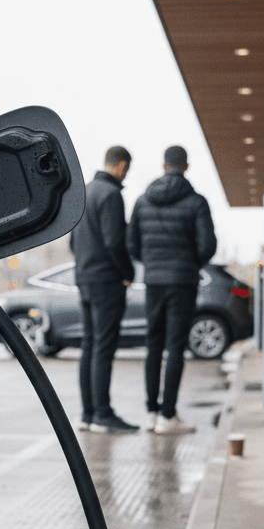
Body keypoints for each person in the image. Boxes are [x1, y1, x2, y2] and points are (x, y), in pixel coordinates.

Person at [127, 145, 217, 434]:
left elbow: (132, 244)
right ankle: (168, 416)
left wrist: (152, 263)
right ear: (185, 166)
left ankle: (151, 413)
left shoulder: (143, 200)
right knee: (175, 346)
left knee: (153, 344)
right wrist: (189, 264)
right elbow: (208, 246)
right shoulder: (196, 202)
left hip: (153, 281)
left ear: (163, 165)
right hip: (182, 281)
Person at [69, 146, 138, 433]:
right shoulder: (111, 195)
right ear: (121, 165)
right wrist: (128, 273)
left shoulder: (84, 193)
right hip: (107, 281)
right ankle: (103, 414)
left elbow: (72, 243)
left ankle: (87, 414)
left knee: (89, 345)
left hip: (84, 278)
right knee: (104, 347)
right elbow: (114, 242)